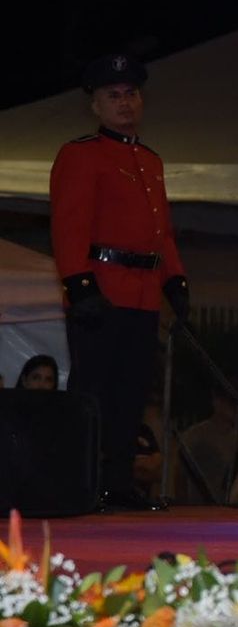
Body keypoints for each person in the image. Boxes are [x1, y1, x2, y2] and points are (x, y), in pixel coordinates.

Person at [49, 52, 189, 512]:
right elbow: (69, 224)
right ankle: (79, 483)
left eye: (131, 93)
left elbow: (162, 231)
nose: (125, 102)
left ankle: (117, 482)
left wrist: (175, 278)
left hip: (143, 293)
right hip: (102, 287)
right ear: (95, 105)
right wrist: (79, 284)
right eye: (113, 95)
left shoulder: (150, 161)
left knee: (131, 392)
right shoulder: (80, 154)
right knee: (93, 391)